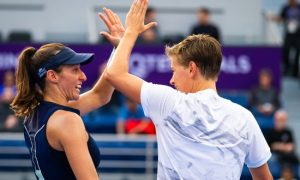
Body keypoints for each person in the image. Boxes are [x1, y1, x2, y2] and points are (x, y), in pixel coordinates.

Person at [101, 0, 273, 179]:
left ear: (192, 68)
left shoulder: (168, 102)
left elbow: (113, 74)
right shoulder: (244, 118)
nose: (172, 79)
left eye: (174, 71)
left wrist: (129, 34)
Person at [10, 7, 124, 179]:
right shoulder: (67, 121)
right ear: (52, 76)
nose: (83, 76)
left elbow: (100, 95)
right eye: (75, 70)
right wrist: (128, 40)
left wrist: (120, 47)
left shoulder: (35, 113)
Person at [268, 0, 300, 77]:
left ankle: (295, 72)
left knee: (297, 52)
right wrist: (273, 18)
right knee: (285, 51)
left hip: (298, 35)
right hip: (288, 34)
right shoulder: (286, 8)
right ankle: (286, 69)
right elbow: (281, 18)